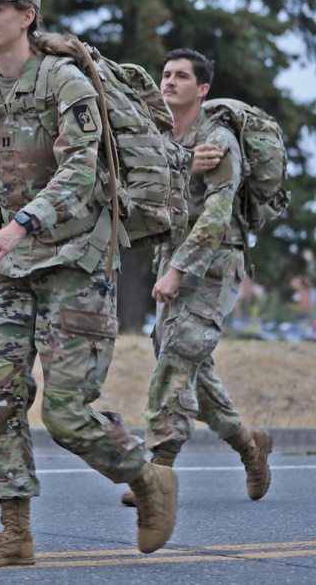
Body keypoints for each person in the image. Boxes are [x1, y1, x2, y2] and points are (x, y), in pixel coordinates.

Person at [0, 0, 178, 567]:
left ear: (27, 15)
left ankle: (147, 477)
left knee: (65, 413)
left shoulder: (65, 83)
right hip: (11, 267)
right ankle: (14, 533)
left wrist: (19, 224)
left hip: (75, 261)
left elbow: (84, 172)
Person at [117, 48, 272, 507]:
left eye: (181, 76)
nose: (169, 82)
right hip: (173, 260)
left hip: (216, 266)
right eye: (166, 74)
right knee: (192, 372)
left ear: (202, 89)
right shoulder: (165, 138)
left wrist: (178, 271)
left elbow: (217, 217)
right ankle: (250, 446)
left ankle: (158, 470)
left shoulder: (218, 139)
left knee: (177, 357)